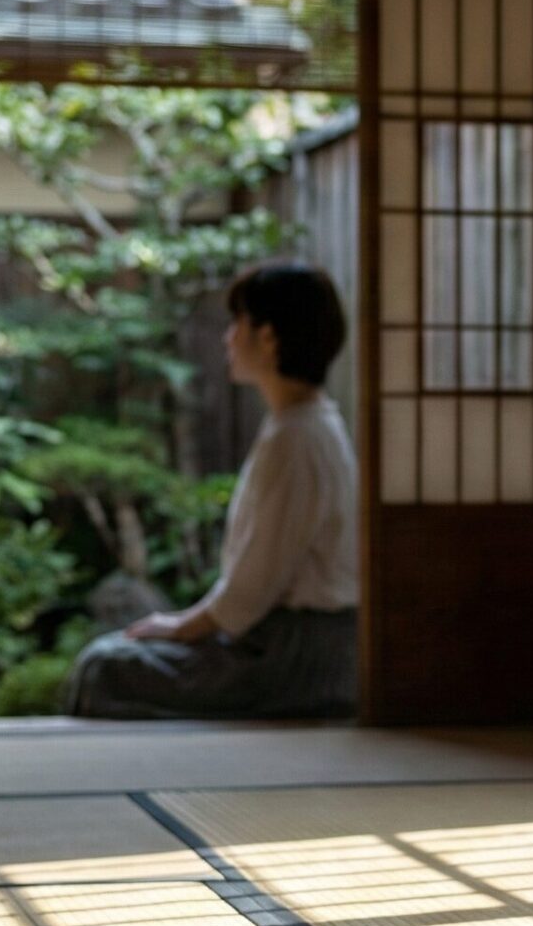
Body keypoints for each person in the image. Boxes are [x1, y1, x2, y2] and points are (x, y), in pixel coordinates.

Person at [65, 262, 359, 719]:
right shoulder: (306, 425)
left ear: (269, 336)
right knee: (110, 662)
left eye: (238, 323)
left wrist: (181, 626)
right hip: (299, 645)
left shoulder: (297, 437)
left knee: (105, 668)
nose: (227, 338)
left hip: (291, 657)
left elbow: (253, 587)